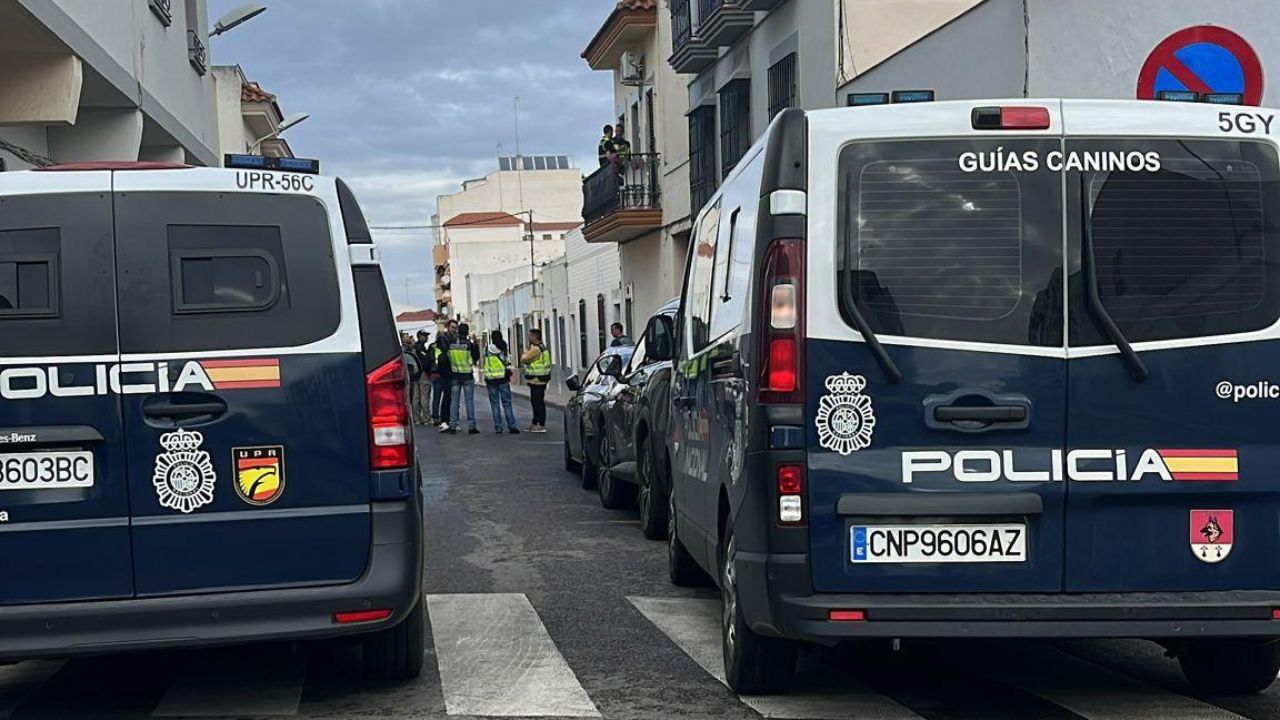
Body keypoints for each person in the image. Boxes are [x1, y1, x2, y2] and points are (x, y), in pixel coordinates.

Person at [483, 330, 521, 435]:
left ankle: (498, 427)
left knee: (495, 404)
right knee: (507, 403)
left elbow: (485, 361)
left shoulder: (487, 349)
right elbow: (507, 362)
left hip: (491, 379)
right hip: (503, 379)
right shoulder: (503, 348)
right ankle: (512, 426)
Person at [447, 322, 481, 435]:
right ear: (467, 332)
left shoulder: (451, 344)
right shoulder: (469, 344)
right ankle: (471, 426)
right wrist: (475, 344)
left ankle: (452, 425)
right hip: (467, 375)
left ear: (458, 331)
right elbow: (476, 357)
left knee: (454, 401)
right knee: (469, 401)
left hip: (455, 375)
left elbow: (448, 357)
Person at [521, 328, 551, 433]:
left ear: (535, 337)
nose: (528, 337)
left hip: (537, 379)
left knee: (537, 402)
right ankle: (535, 423)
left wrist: (526, 352)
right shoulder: (542, 347)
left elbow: (524, 359)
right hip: (540, 378)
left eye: (530, 336)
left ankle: (540, 424)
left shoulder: (536, 349)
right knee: (536, 402)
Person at [434, 320, 457, 432]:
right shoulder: (443, 339)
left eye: (455, 328)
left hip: (452, 371)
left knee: (452, 398)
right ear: (448, 327)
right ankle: (444, 421)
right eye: (453, 327)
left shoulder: (454, 339)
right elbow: (446, 352)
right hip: (444, 372)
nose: (454, 330)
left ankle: (450, 421)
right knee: (446, 397)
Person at [413, 330, 434, 425]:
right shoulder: (420, 348)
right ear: (420, 336)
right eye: (425, 336)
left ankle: (417, 418)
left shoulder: (414, 347)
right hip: (423, 374)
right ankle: (426, 418)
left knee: (416, 396)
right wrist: (429, 372)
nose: (426, 338)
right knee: (424, 396)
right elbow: (425, 361)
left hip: (415, 374)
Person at [401, 333, 422, 413]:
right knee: (409, 396)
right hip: (407, 375)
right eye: (406, 336)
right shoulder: (403, 349)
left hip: (412, 375)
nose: (408, 337)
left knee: (413, 396)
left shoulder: (411, 348)